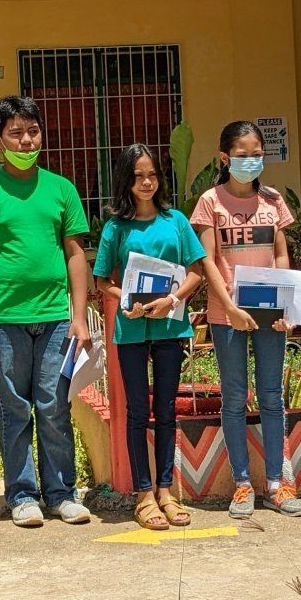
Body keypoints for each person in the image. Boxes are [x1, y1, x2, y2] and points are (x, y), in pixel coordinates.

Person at [0, 95, 94, 528]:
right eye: (15, 133)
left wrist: (79, 315)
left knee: (54, 405)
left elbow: (75, 254)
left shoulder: (61, 188)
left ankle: (62, 493)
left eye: (32, 131)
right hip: (3, 322)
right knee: (14, 408)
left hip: (56, 317)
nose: (26, 140)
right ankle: (22, 495)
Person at [192, 120, 301, 519]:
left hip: (270, 316)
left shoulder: (273, 201)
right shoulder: (210, 201)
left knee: (272, 397)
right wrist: (231, 308)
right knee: (235, 398)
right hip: (227, 315)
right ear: (225, 158)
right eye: (242, 155)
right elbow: (208, 260)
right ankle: (242, 484)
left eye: (256, 154)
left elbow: (280, 255)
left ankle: (277, 482)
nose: (250, 161)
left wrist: (286, 308)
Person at [94, 144, 207, 530]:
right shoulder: (115, 227)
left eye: (153, 175)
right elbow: (102, 281)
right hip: (131, 330)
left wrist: (172, 298)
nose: (146, 182)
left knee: (167, 412)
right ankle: (143, 495)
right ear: (126, 180)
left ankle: (166, 490)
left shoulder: (175, 220)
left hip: (171, 326)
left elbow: (196, 271)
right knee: (138, 413)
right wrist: (127, 300)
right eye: (139, 175)